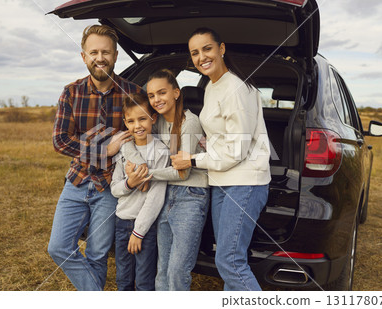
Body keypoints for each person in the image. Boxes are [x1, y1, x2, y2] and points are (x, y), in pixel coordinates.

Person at [171, 28, 271, 291]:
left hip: (244, 182)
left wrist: (192, 159)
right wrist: (204, 144)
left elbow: (236, 150)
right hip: (222, 180)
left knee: (230, 262)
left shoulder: (235, 89)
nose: (201, 57)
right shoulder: (212, 87)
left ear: (221, 49)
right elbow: (223, 135)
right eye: (195, 53)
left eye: (207, 49)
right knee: (228, 260)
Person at [47, 24, 144, 291]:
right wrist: (104, 150)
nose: (99, 58)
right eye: (93, 53)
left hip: (111, 187)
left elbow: (145, 135)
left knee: (98, 255)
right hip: (77, 181)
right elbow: (61, 141)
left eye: (105, 52)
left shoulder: (133, 93)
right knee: (58, 248)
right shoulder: (71, 92)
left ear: (115, 56)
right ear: (84, 56)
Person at [122, 69, 209, 290]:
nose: (156, 100)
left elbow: (183, 173)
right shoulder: (156, 122)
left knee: (178, 270)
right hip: (165, 194)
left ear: (176, 93)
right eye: (152, 96)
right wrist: (137, 164)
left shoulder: (190, 122)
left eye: (162, 93)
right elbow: (131, 142)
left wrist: (145, 174)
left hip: (190, 195)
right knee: (162, 269)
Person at [110, 93, 169, 291]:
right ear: (125, 123)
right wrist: (130, 183)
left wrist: (139, 232)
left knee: (144, 281)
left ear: (153, 118)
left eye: (142, 118)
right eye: (132, 121)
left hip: (145, 227)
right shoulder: (124, 151)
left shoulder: (160, 152)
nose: (138, 125)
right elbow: (115, 189)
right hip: (121, 222)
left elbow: (155, 198)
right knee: (123, 279)